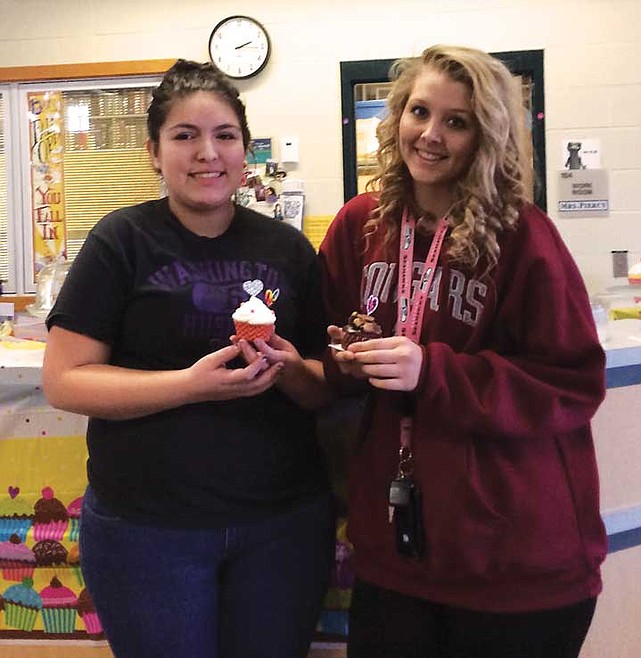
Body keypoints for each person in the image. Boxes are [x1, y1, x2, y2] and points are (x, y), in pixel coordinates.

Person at [319, 44, 607, 658]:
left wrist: (433, 370)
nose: (430, 135)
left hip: (509, 561)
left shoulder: (523, 235)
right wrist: (345, 357)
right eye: (419, 111)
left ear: (487, 137)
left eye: (457, 121)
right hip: (396, 551)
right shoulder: (360, 224)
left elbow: (572, 384)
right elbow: (329, 351)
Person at [42, 59, 334, 658]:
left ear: (245, 150)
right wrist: (190, 385)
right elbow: (65, 380)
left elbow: (324, 385)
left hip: (281, 525)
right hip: (147, 529)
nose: (208, 152)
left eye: (225, 135)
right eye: (185, 136)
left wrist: (290, 369)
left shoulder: (288, 248)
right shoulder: (120, 241)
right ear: (154, 152)